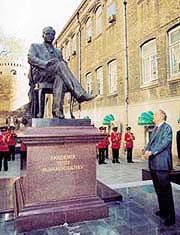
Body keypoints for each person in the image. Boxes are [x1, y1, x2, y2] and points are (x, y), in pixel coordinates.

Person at [27, 26, 95, 119]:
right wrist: (45, 63)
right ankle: (79, 93)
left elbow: (63, 64)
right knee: (60, 64)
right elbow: (31, 58)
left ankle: (57, 111)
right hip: (41, 74)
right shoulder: (35, 46)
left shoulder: (58, 51)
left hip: (54, 75)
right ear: (43, 35)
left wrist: (61, 63)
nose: (50, 36)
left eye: (52, 34)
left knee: (60, 78)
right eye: (48, 34)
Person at [145, 109, 175, 227]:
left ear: (162, 116)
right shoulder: (155, 128)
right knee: (158, 190)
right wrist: (146, 150)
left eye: (155, 114)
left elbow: (164, 143)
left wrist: (152, 151)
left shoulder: (167, 128)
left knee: (166, 191)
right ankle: (163, 211)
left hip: (162, 164)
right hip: (153, 164)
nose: (153, 116)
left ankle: (170, 217)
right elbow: (150, 143)